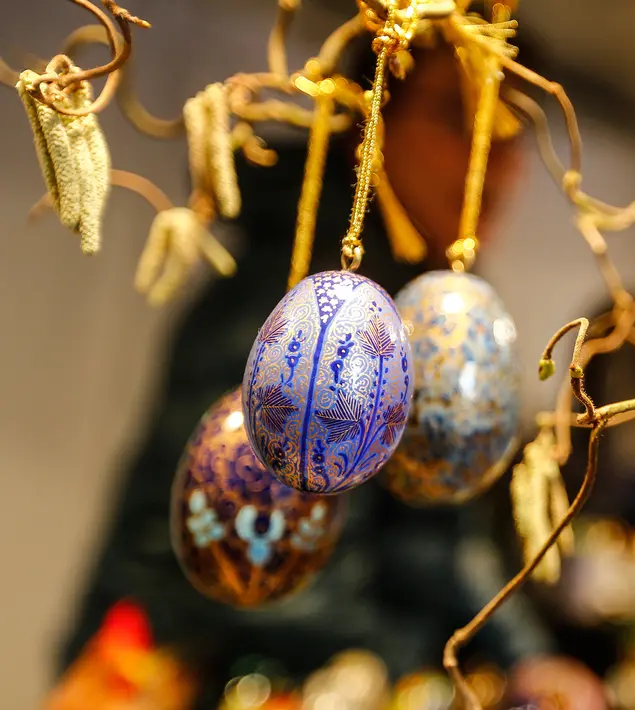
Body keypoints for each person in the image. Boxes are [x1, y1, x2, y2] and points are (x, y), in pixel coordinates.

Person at [55, 37, 547, 709]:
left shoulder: (425, 301)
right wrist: (426, 667)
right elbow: (244, 545)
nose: (492, 161)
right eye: (459, 121)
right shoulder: (294, 285)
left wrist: (522, 658)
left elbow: (431, 536)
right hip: (186, 671)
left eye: (512, 133)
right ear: (369, 125)